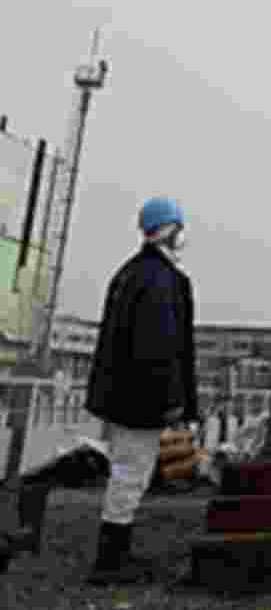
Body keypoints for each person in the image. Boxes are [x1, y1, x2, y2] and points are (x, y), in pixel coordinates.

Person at [84, 196, 197, 586]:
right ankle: (110, 562)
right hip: (139, 399)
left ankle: (115, 554)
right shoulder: (161, 281)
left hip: (119, 395)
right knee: (131, 475)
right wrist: (171, 403)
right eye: (180, 228)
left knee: (125, 472)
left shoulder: (130, 274)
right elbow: (161, 347)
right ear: (170, 230)